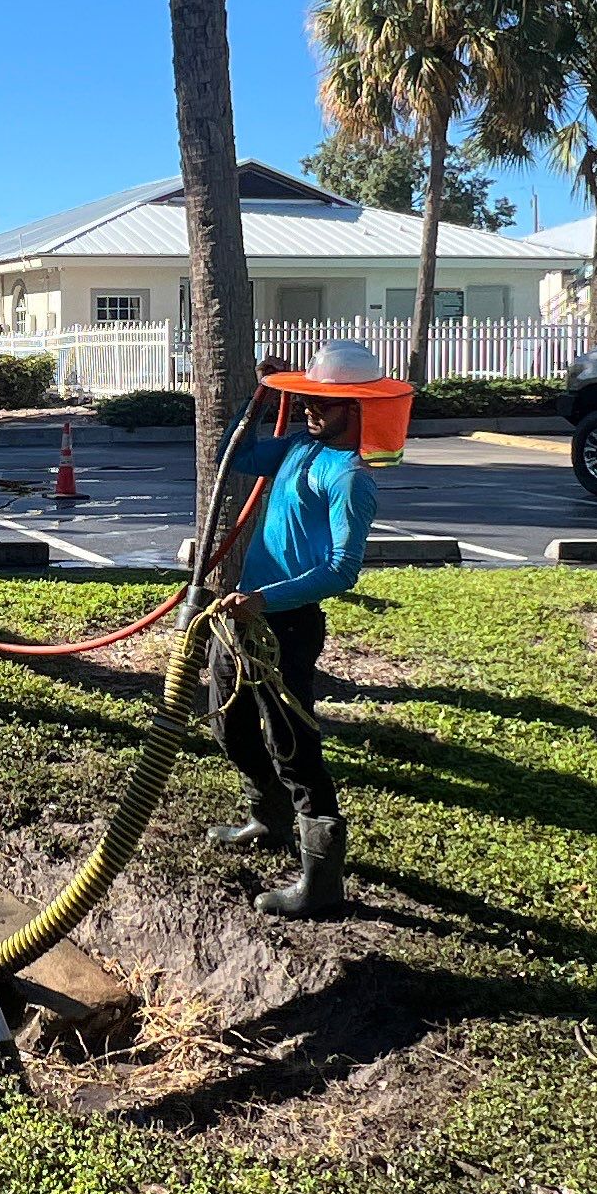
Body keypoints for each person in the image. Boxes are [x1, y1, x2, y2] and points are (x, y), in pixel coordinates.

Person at [207, 338, 407, 919]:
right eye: (310, 399)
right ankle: (266, 817)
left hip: (286, 624)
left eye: (327, 402)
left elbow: (342, 569)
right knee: (228, 723)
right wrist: (261, 399)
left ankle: (321, 881)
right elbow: (235, 457)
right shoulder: (298, 447)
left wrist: (265, 599)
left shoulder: (349, 477)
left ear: (359, 407)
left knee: (292, 745)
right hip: (243, 617)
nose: (313, 409)